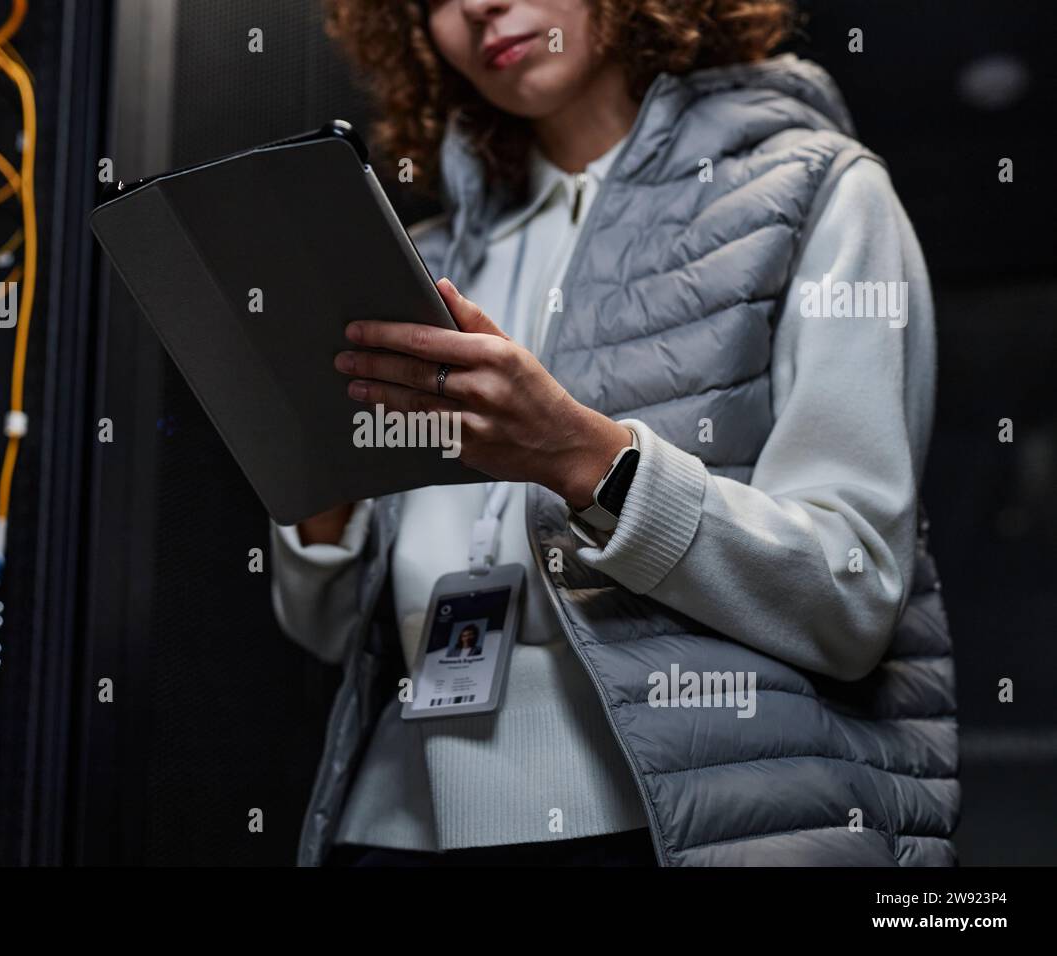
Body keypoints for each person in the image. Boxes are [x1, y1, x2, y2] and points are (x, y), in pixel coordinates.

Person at [270, 0, 959, 866]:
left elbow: (852, 600)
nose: (478, 5)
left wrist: (584, 460)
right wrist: (313, 477)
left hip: (670, 826)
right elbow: (329, 630)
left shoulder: (820, 192)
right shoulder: (418, 258)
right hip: (390, 825)